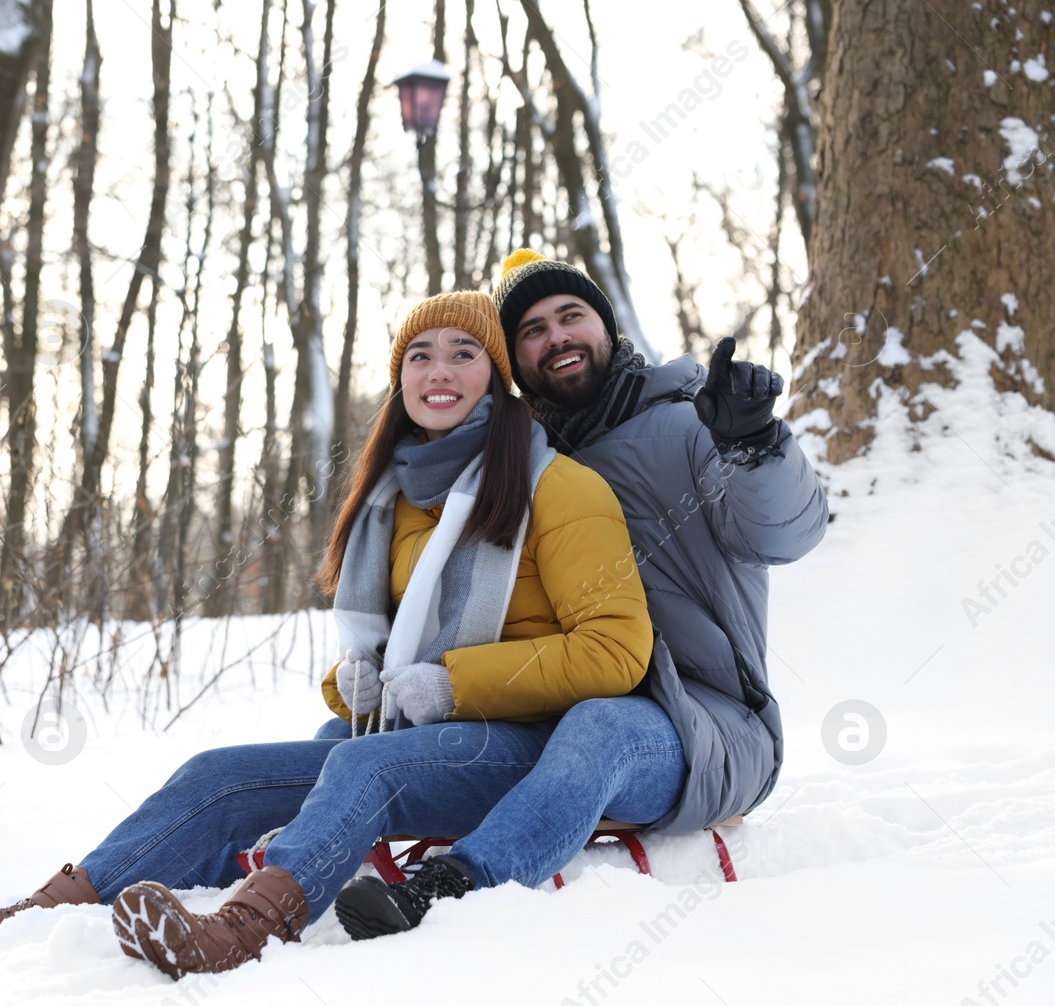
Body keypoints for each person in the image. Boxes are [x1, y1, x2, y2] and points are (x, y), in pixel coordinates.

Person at [0, 291, 656, 978]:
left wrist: (457, 680)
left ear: (495, 376)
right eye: (420, 355)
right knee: (218, 772)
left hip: (525, 744)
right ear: (401, 380)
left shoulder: (558, 487)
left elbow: (616, 650)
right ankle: (28, 914)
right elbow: (387, 653)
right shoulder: (393, 500)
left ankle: (244, 928)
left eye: (465, 353)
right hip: (418, 730)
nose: (440, 370)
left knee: (361, 764)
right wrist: (352, 679)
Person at [329, 248, 829, 939]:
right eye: (531, 330)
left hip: (706, 722)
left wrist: (754, 444)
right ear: (513, 362)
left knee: (603, 726)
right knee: (349, 738)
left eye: (571, 315)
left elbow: (785, 534)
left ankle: (455, 883)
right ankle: (278, 868)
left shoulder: (689, 425)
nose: (556, 336)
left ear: (608, 327)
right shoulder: (509, 468)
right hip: (550, 709)